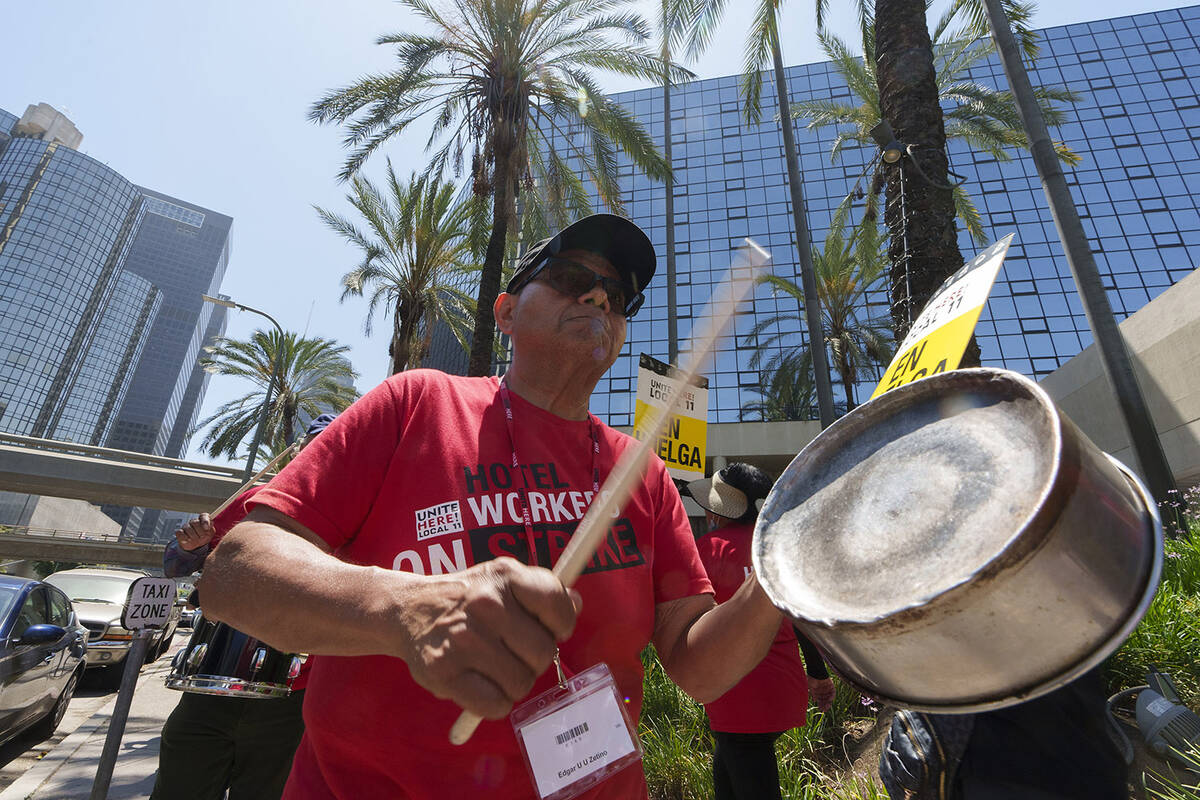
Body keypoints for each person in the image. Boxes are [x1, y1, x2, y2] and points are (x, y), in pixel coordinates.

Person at [198, 214, 788, 799]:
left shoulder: (645, 475)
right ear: (506, 312)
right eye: (568, 275)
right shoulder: (415, 405)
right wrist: (407, 609)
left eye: (619, 296)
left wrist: (778, 571)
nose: (598, 297)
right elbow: (235, 570)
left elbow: (700, 668)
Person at [151, 414, 337, 800]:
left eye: (329, 446)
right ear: (297, 453)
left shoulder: (352, 515)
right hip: (212, 686)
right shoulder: (252, 505)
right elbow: (174, 566)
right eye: (312, 446)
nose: (317, 456)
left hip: (294, 698)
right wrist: (191, 546)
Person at [687, 462, 836, 800]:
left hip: (735, 690)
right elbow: (800, 619)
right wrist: (818, 674)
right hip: (782, 685)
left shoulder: (709, 549)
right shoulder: (776, 549)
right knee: (728, 770)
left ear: (723, 508)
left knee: (748, 774)